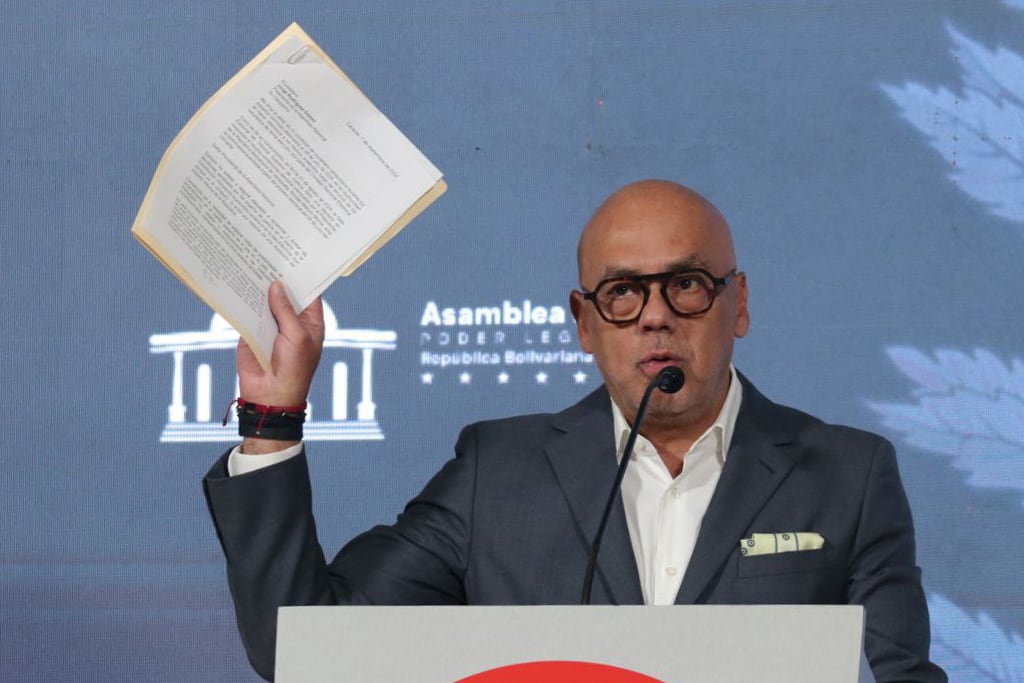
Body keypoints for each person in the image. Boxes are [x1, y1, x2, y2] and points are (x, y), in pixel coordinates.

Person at [204, 180, 947, 682]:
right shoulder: (498, 473)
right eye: (623, 291)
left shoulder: (848, 474)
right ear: (585, 324)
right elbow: (304, 648)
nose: (655, 316)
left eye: (686, 284)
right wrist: (273, 420)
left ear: (738, 303)